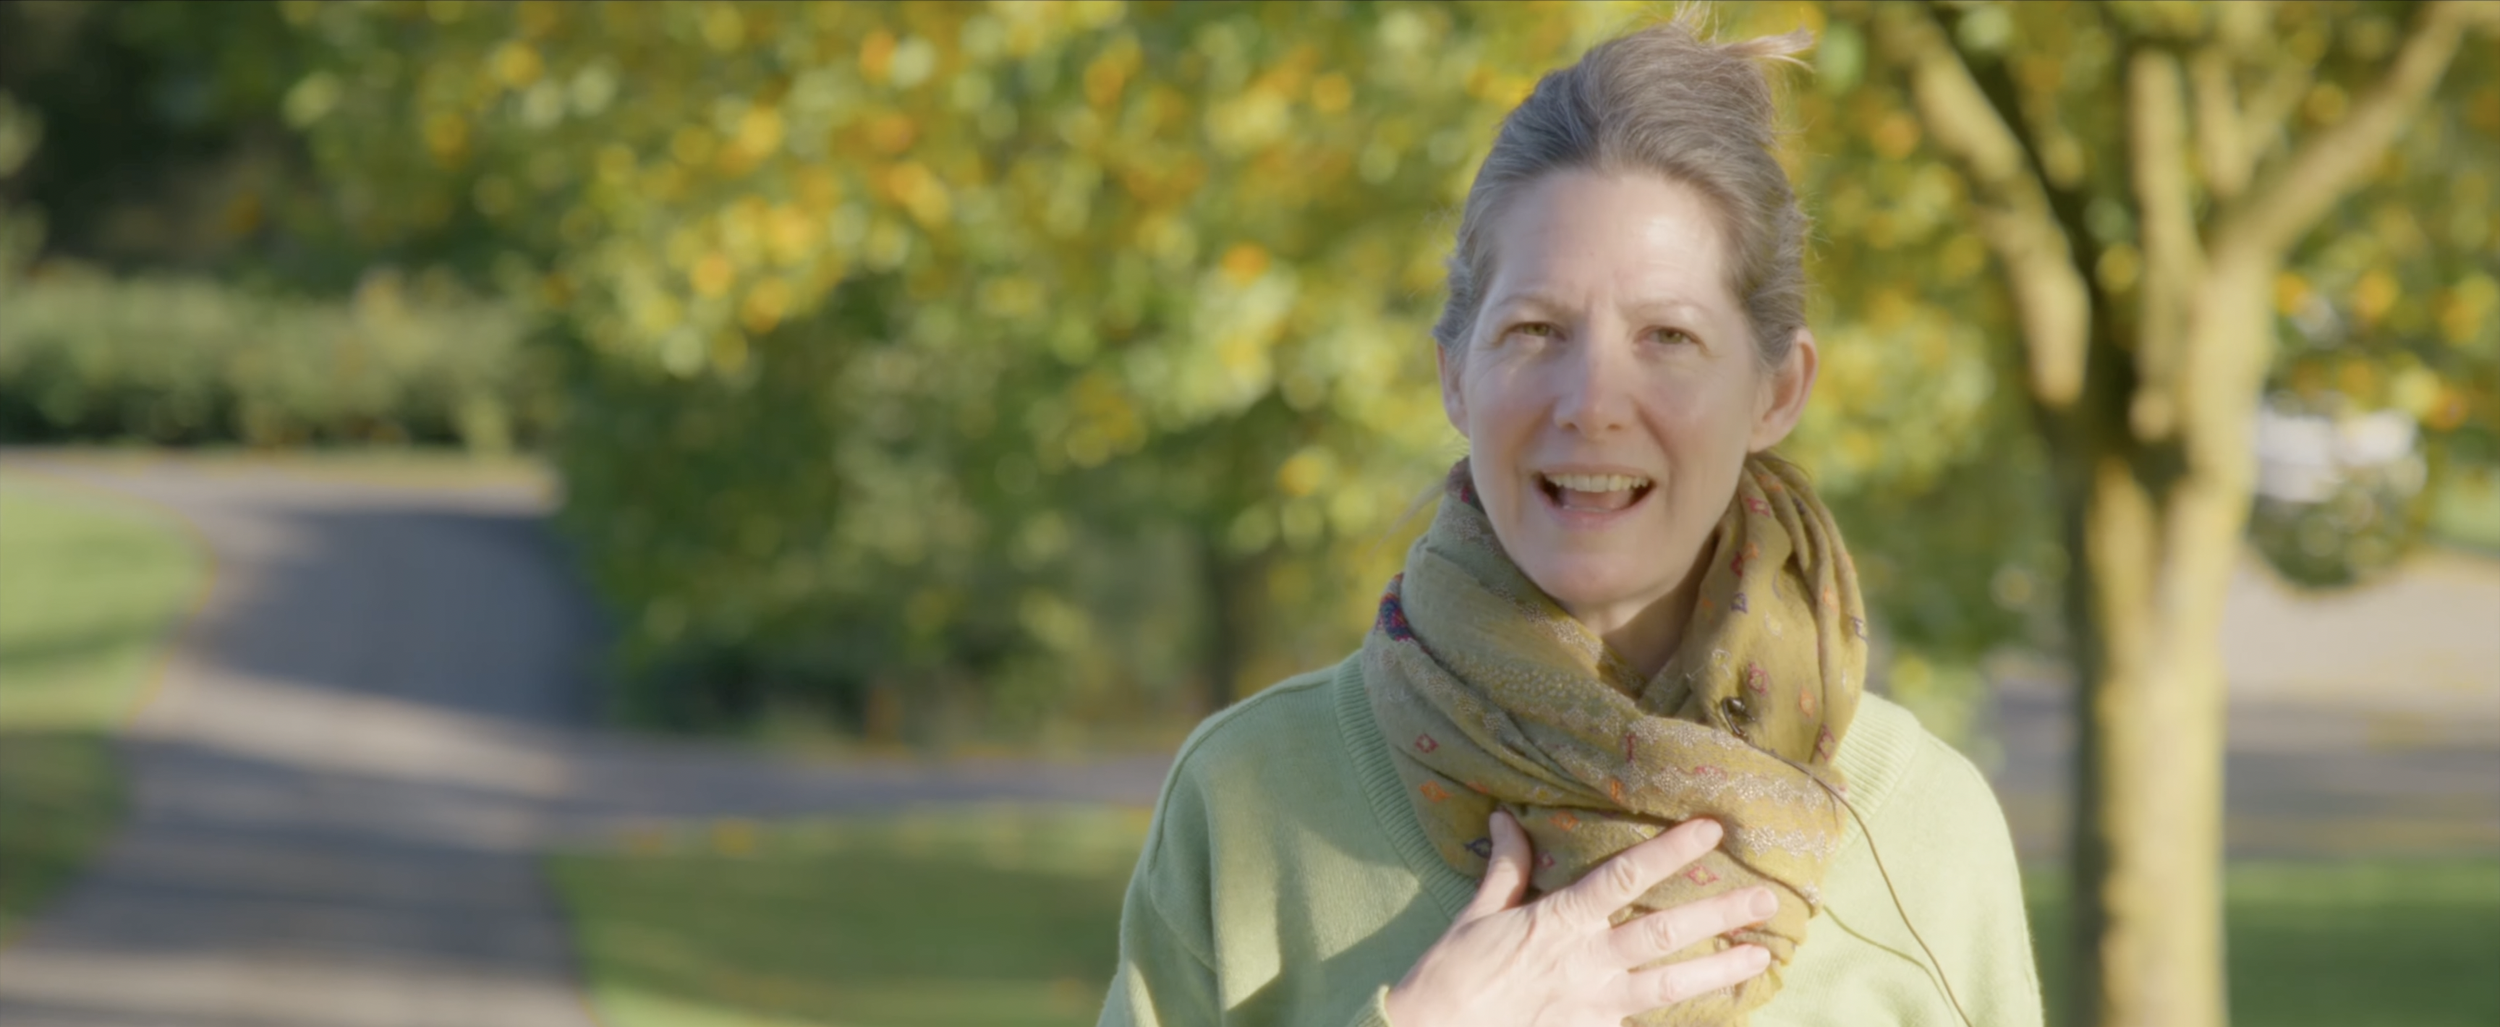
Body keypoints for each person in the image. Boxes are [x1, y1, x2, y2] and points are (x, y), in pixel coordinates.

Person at [1098, 13, 2041, 1027]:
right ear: (1455, 375)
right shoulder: (1250, 801)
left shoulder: (1928, 830)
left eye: (1667, 336)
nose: (1591, 399)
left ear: (1776, 388)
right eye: (1535, 329)